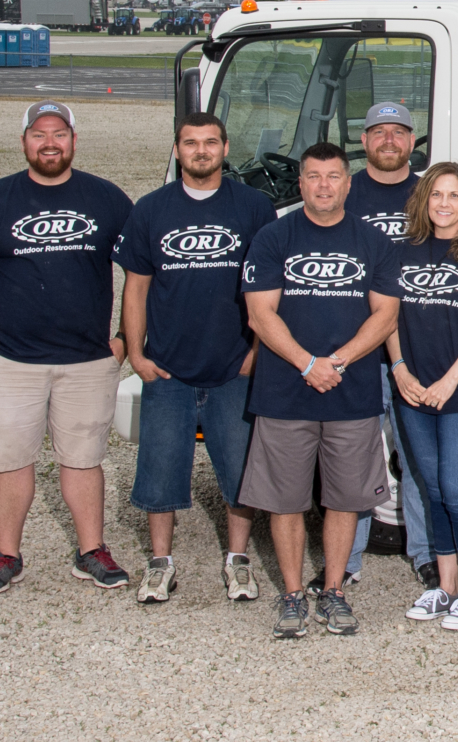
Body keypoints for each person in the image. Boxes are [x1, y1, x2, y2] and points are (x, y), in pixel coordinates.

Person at [0, 101, 135, 594]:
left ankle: (91, 550)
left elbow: (141, 272)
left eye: (59, 133)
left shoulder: (107, 198)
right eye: (39, 134)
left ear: (74, 140)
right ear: (24, 141)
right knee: (9, 460)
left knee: (84, 459)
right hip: (10, 362)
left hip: (88, 361)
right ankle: (6, 554)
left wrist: (124, 343)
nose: (50, 143)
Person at [116, 111, 277, 604]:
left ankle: (238, 560)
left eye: (210, 142)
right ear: (177, 150)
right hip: (168, 369)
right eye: (191, 143)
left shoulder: (254, 207)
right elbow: (136, 288)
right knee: (159, 468)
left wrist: (256, 353)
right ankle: (160, 564)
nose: (201, 151)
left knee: (240, 470)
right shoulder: (151, 209)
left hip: (234, 367)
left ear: (225, 148)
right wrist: (136, 354)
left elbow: (269, 288)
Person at [240, 142, 399, 639]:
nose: (324, 186)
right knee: (285, 500)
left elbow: (386, 315)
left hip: (351, 392)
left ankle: (334, 590)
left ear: (348, 184)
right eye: (314, 176)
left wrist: (338, 361)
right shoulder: (273, 237)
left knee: (345, 498)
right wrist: (307, 363)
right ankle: (292, 595)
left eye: (333, 177)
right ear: (301, 183)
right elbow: (259, 313)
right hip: (284, 391)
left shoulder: (373, 241)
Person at [376, 163, 458, 632]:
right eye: (436, 194)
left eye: (454, 195)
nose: (444, 203)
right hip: (413, 389)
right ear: (423, 200)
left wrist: (450, 380)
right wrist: (400, 369)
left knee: (457, 489)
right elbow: (387, 317)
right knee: (432, 487)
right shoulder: (400, 253)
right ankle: (446, 586)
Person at [343, 100, 433, 590]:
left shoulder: (429, 195)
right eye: (379, 132)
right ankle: (348, 558)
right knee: (357, 457)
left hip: (416, 349)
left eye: (399, 132)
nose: (389, 141)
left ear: (412, 141)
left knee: (416, 456)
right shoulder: (345, 193)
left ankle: (424, 553)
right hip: (357, 350)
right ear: (364, 141)